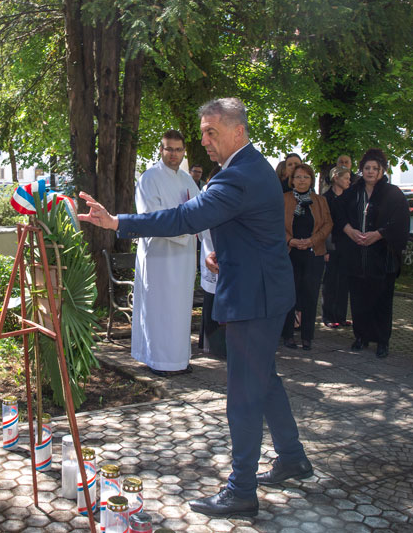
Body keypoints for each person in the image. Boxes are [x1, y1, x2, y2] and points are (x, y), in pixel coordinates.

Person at [79, 98, 312, 519]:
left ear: (237, 132)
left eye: (211, 132)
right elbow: (249, 227)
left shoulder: (237, 175)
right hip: (265, 289)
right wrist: (227, 252)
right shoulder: (253, 165)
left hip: (254, 298)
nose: (203, 141)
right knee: (264, 378)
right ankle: (293, 457)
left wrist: (118, 223)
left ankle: (241, 490)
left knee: (244, 392)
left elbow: (185, 217)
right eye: (202, 133)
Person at [131, 130, 201, 376]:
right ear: (160, 150)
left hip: (184, 256)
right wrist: (184, 231)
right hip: (159, 255)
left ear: (184, 152)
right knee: (160, 307)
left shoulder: (187, 180)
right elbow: (151, 216)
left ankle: (179, 359)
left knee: (181, 308)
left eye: (178, 150)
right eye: (169, 149)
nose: (174, 154)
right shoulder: (149, 178)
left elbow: (201, 210)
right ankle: (158, 360)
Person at [332, 148, 409, 358]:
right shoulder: (352, 192)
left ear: (382, 171)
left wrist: (379, 234)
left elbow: (400, 221)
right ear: (361, 169)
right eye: (367, 168)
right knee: (359, 300)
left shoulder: (393, 193)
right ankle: (361, 336)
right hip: (356, 257)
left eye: (375, 168)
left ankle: (382, 340)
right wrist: (348, 230)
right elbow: (337, 214)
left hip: (382, 258)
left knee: (382, 302)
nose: (371, 171)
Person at [281, 163, 332, 350]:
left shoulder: (320, 201)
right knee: (289, 294)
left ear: (311, 180)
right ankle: (288, 335)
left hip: (313, 253)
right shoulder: (283, 199)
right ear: (292, 180)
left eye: (306, 177)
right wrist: (290, 240)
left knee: (310, 294)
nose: (302, 180)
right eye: (298, 177)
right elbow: (275, 224)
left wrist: (312, 241)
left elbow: (328, 224)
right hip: (290, 253)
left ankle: (307, 336)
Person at [197, 165, 225, 358]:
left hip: (221, 249)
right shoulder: (207, 194)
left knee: (217, 299)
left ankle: (215, 344)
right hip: (212, 250)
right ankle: (212, 344)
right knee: (212, 298)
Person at [321, 166, 352, 328]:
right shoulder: (325, 198)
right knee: (330, 282)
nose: (348, 181)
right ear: (336, 178)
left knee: (344, 281)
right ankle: (328, 316)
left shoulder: (349, 197)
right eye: (346, 178)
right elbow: (323, 224)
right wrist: (325, 248)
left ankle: (341, 315)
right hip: (331, 245)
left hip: (346, 245)